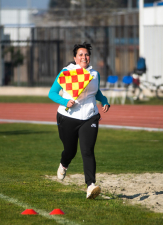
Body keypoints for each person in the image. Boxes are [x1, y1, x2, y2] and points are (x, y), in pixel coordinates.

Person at [48, 42, 110, 199]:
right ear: (75, 57)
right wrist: (64, 102)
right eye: (80, 54)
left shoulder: (94, 74)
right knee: (70, 150)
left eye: (86, 54)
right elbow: (52, 93)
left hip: (90, 117)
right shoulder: (66, 72)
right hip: (67, 116)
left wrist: (104, 101)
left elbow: (96, 93)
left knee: (87, 151)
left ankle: (91, 186)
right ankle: (64, 164)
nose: (84, 57)